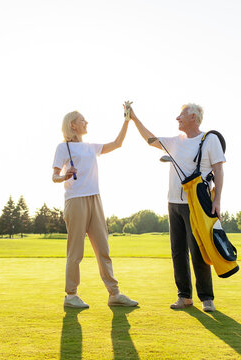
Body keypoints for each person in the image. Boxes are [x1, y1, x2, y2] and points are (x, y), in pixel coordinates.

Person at [129, 103, 225, 312]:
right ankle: (184, 297)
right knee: (177, 251)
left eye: (181, 115)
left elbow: (218, 169)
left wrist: (217, 201)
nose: (177, 118)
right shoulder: (175, 142)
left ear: (193, 117)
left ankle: (206, 298)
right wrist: (134, 118)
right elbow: (150, 139)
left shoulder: (210, 140)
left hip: (197, 204)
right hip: (173, 203)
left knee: (198, 249)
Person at [52, 110, 138, 309]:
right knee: (76, 251)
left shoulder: (91, 147)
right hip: (75, 201)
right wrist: (64, 176)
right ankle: (71, 295)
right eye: (82, 120)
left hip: (95, 199)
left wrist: (127, 120)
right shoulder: (62, 147)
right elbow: (54, 176)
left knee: (103, 249)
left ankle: (114, 294)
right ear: (73, 125)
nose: (86, 122)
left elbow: (117, 143)